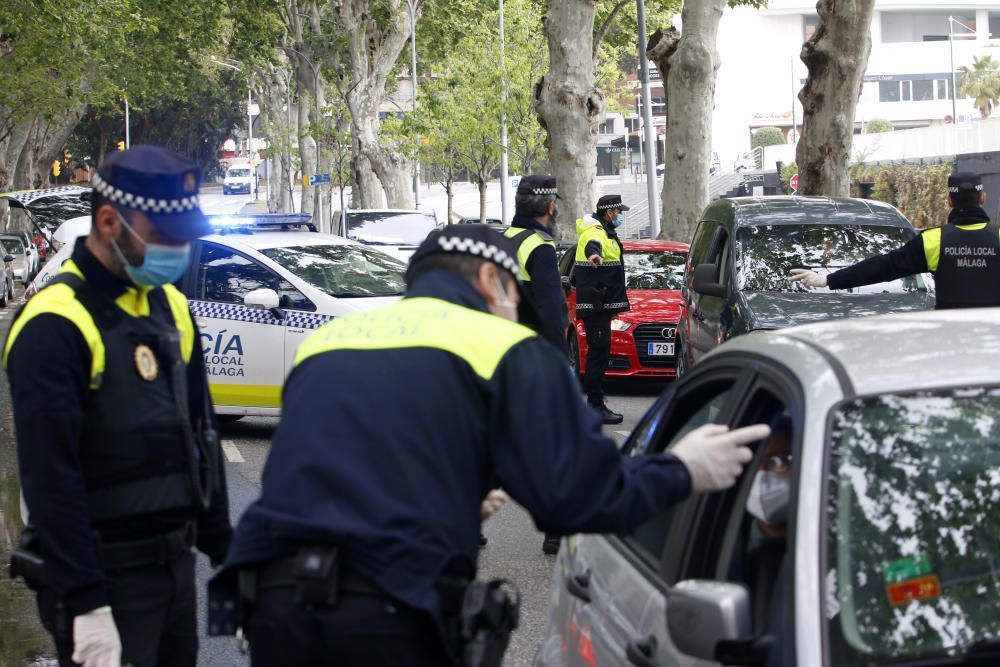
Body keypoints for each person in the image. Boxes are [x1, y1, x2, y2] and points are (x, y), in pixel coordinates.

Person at [217, 225, 768, 667]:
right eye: (516, 299)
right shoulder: (504, 346)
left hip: (272, 602)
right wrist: (684, 469)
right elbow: (573, 497)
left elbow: (322, 473)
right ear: (492, 280)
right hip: (385, 615)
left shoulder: (328, 341)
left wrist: (451, 500)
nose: (516, 313)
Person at [4, 145, 232, 667]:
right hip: (102, 580)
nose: (179, 250)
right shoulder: (55, 323)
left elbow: (201, 433)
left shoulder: (170, 305)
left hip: (174, 571)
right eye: (165, 238)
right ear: (109, 221)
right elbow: (49, 476)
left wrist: (228, 554)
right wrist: (86, 603)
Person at [789, 172, 1000, 309]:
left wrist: (828, 279)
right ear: (982, 199)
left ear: (949, 200)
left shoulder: (934, 240)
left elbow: (884, 266)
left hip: (951, 336)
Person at [574, 194, 631, 424]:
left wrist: (612, 308)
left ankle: (595, 405)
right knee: (598, 355)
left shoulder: (605, 231)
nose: (620, 216)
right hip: (595, 308)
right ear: (609, 212)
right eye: (618, 212)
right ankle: (595, 407)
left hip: (600, 307)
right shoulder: (595, 233)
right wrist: (594, 256)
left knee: (600, 353)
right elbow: (592, 248)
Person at [503, 174, 568, 356]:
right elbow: (550, 310)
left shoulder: (506, 236)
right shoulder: (540, 246)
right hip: (532, 350)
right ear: (551, 207)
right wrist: (560, 361)